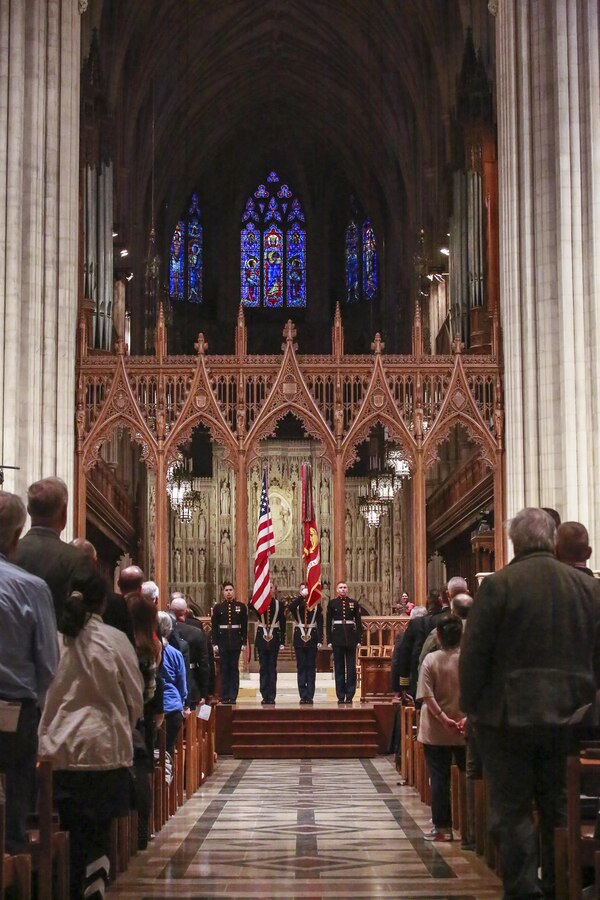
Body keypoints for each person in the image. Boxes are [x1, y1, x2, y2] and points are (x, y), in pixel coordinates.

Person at [460, 507, 600, 899]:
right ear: (551, 540)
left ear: (515, 542)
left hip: (508, 719)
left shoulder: (499, 586)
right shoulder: (588, 588)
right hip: (572, 717)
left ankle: (523, 890)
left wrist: (472, 707)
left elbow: (475, 655)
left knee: (513, 812)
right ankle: (560, 885)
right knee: (558, 805)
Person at [38, 571, 143, 900]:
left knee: (66, 831)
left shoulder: (54, 639)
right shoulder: (113, 639)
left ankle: (67, 888)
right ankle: (93, 885)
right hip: (102, 753)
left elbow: (40, 689)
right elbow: (135, 696)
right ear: (103, 602)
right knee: (96, 833)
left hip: (57, 753)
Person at [0, 492, 59, 854]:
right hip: (16, 711)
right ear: (16, 535)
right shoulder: (31, 588)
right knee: (19, 796)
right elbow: (49, 663)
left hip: (19, 707)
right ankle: (15, 868)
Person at [13, 476, 95, 628]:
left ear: (29, 510)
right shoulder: (77, 559)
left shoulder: (9, 553)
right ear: (64, 512)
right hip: (57, 647)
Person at [417, 615, 466, 842]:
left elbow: (426, 695)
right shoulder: (470, 659)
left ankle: (443, 828)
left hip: (437, 730)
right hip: (465, 729)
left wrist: (443, 718)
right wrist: (465, 719)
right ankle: (470, 827)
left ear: (438, 636)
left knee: (439, 778)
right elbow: (479, 691)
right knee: (469, 776)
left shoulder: (430, 660)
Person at [169, 595, 210, 707]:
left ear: (170, 611)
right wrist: (204, 692)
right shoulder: (196, 633)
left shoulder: (164, 631)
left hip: (169, 682)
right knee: (191, 721)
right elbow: (203, 664)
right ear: (186, 612)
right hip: (191, 682)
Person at [211, 582, 248, 704]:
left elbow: (244, 625)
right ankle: (225, 695)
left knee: (234, 668)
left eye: (230, 590)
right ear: (223, 592)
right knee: (224, 668)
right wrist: (215, 642)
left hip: (236, 641)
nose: (228, 592)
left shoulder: (241, 606)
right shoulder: (218, 608)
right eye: (226, 590)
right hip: (223, 641)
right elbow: (215, 626)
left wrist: (243, 641)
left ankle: (233, 695)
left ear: (234, 591)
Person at [156, 610, 187, 753]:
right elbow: (182, 684)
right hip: (172, 707)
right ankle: (168, 774)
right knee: (167, 750)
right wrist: (181, 702)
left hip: (151, 707)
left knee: (154, 751)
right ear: (169, 630)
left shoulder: (143, 649)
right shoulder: (175, 653)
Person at [326, 582, 362, 704]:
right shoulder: (332, 603)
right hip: (338, 638)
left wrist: (358, 640)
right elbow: (328, 622)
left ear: (347, 589)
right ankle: (340, 695)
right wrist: (329, 640)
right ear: (337, 590)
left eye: (345, 587)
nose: (343, 590)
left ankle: (350, 695)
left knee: (351, 668)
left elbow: (358, 622)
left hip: (351, 639)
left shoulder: (354, 603)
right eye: (340, 587)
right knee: (339, 668)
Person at [289, 583, 324, 705]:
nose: (305, 591)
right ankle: (302, 694)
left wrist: (320, 640)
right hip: (299, 638)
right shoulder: (297, 605)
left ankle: (310, 694)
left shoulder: (316, 606)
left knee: (311, 667)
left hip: (312, 638)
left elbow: (319, 622)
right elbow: (290, 607)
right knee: (301, 667)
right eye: (302, 589)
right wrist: (300, 596)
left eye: (306, 589)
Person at [253, 592, 286, 705]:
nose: (268, 590)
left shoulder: (278, 604)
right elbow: (250, 605)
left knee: (272, 668)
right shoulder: (258, 603)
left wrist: (282, 640)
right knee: (263, 668)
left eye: (270, 588)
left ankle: (271, 695)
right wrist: (258, 593)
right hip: (262, 637)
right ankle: (264, 694)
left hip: (274, 638)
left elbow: (282, 622)